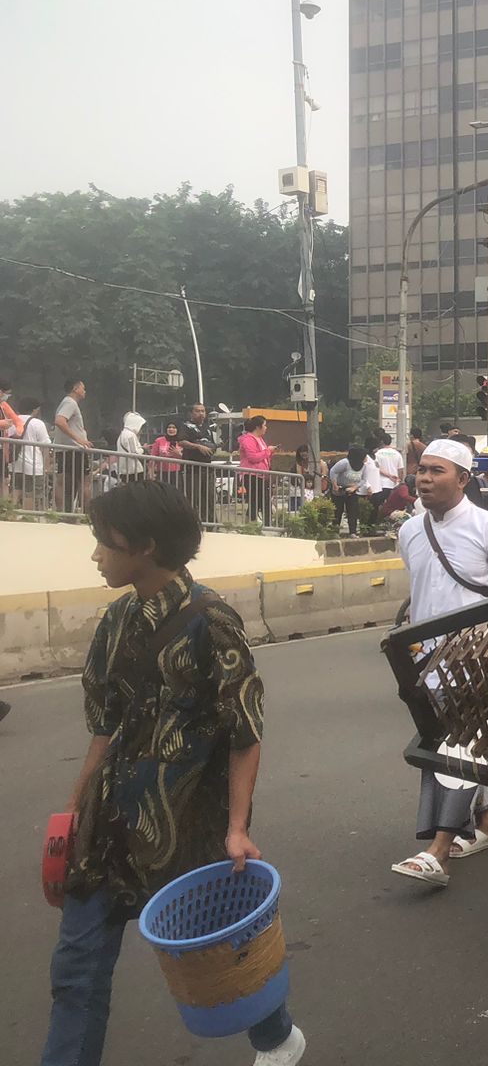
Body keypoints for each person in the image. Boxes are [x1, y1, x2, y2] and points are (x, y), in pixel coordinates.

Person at [39, 480, 305, 1066]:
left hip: (185, 830)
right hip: (108, 831)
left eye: (104, 542)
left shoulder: (212, 622)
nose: (95, 555)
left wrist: (237, 828)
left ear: (145, 546)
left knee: (217, 955)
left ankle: (276, 1036)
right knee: (76, 973)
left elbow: (244, 732)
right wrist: (75, 812)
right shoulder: (116, 621)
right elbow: (104, 728)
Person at [390, 439, 488, 889]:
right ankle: (484, 824)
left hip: (478, 663)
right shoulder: (411, 532)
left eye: (437, 471)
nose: (424, 479)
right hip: (426, 664)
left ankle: (439, 849)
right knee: (445, 744)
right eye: (422, 470)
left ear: (464, 479)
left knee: (456, 747)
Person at [53, 378, 93, 513]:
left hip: (65, 449)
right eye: (83, 388)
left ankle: (64, 513)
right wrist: (79, 440)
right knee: (84, 482)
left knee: (65, 482)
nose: (85, 391)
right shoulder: (70, 403)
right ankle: (86, 514)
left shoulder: (66, 402)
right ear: (75, 389)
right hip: (74, 450)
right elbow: (60, 421)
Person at [175, 402, 217, 525]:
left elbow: (212, 444)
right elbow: (181, 441)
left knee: (209, 499)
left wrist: (213, 448)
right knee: (193, 499)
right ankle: (191, 524)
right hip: (192, 470)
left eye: (203, 411)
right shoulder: (186, 426)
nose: (201, 413)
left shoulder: (208, 428)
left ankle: (211, 524)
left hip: (207, 469)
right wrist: (198, 446)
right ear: (191, 413)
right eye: (197, 411)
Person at [9, 395, 52, 509]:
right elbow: (45, 446)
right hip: (34, 465)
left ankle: (9, 513)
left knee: (15, 490)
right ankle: (28, 515)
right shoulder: (38, 423)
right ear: (35, 409)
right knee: (31, 494)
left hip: (15, 464)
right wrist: (47, 466)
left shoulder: (13, 421)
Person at [328, 445, 381, 536]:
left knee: (353, 511)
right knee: (338, 511)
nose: (366, 458)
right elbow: (333, 471)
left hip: (352, 491)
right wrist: (335, 485)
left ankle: (353, 532)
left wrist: (355, 487)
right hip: (339, 489)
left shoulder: (364, 466)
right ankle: (335, 531)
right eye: (364, 456)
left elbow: (363, 480)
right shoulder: (345, 463)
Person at [236, 415, 274, 522]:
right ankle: (257, 523)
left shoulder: (260, 439)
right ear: (258, 427)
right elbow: (252, 457)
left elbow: (262, 456)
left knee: (261, 501)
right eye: (264, 425)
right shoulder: (248, 439)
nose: (266, 428)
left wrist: (269, 453)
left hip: (261, 475)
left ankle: (255, 522)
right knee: (256, 500)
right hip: (252, 475)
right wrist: (268, 451)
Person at [372, 430, 406, 511]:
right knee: (392, 507)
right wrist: (399, 480)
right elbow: (401, 470)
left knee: (378, 506)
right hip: (394, 485)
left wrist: (388, 475)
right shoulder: (397, 454)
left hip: (381, 484)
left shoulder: (377, 454)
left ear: (381, 442)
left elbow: (376, 468)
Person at [112, 412, 145, 485]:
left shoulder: (123, 434)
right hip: (133, 470)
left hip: (125, 469)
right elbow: (134, 452)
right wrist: (143, 449)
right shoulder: (130, 435)